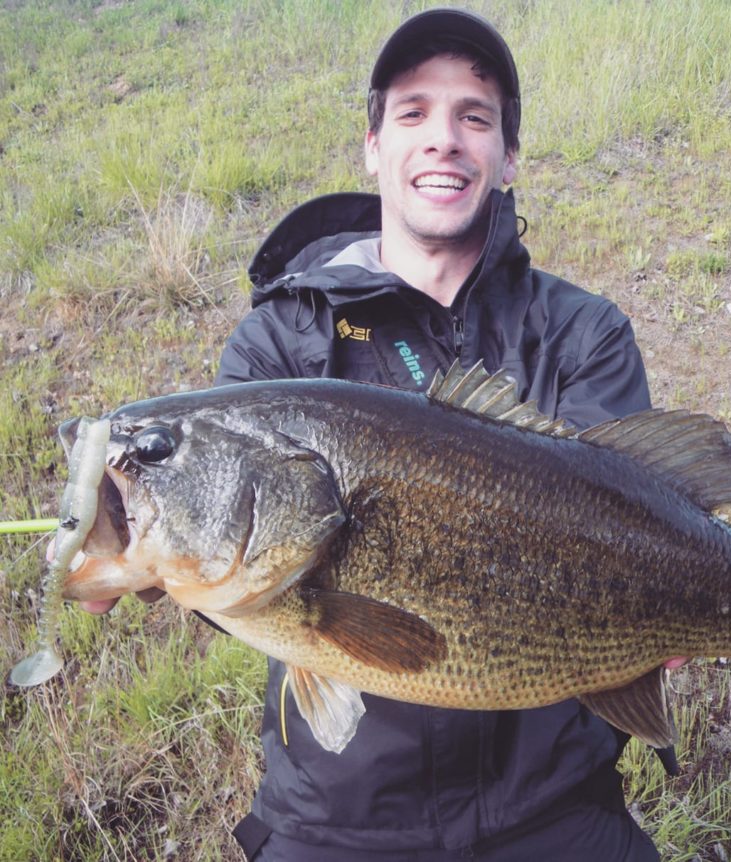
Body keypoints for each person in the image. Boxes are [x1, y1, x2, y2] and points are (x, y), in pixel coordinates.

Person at [83, 8, 680, 860]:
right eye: (412, 113)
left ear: (507, 156)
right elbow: (243, 566)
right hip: (336, 818)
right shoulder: (279, 345)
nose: (444, 138)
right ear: (371, 147)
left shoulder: (582, 333)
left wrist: (668, 619)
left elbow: (636, 514)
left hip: (554, 801)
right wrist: (145, 560)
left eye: (475, 117)